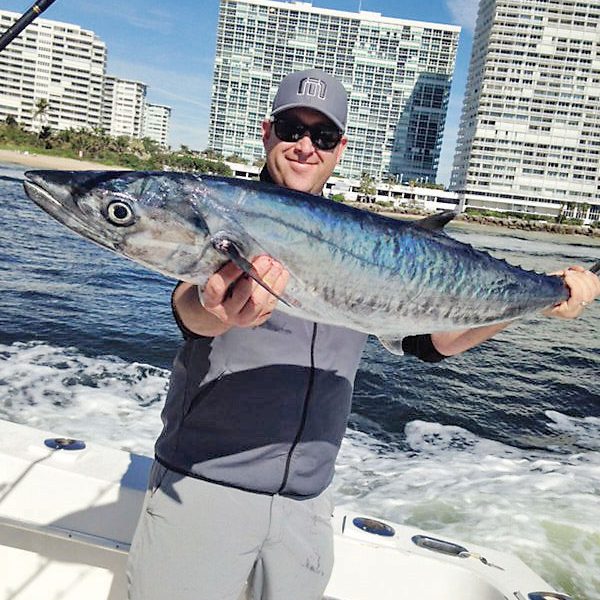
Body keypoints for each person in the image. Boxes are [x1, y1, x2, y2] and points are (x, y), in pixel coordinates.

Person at [127, 69, 600, 600]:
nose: (306, 146)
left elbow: (432, 343)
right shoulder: (226, 214)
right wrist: (220, 309)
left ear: (339, 148)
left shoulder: (367, 240)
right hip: (204, 488)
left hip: (307, 505)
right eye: (291, 129)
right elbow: (192, 311)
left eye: (322, 136)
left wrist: (545, 299)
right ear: (267, 133)